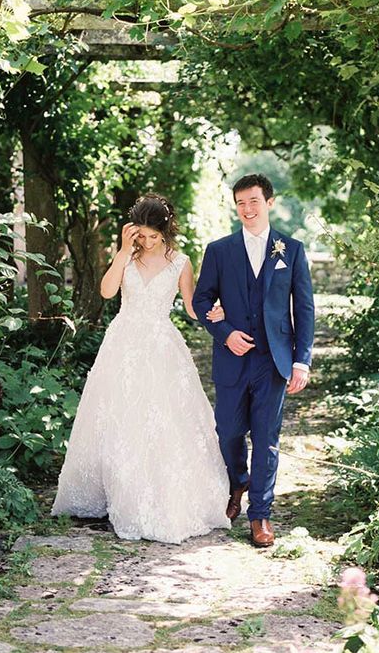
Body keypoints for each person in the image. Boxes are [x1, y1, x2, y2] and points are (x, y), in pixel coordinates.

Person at [51, 194, 231, 543]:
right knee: (119, 415)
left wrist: (217, 311)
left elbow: (193, 307)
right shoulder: (128, 257)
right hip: (123, 342)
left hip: (161, 344)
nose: (148, 242)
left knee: (161, 416)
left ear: (166, 231)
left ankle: (159, 492)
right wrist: (121, 251)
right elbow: (106, 292)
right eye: (142, 235)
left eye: (154, 236)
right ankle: (117, 490)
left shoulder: (181, 262)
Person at [192, 174, 315, 547]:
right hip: (232, 358)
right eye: (241, 203)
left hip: (274, 360)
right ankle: (238, 481)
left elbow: (305, 309)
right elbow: (200, 301)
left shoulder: (291, 250)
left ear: (269, 203)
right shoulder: (219, 250)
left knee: (266, 438)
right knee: (227, 431)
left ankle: (260, 515)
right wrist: (226, 331)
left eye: (254, 202)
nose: (247, 209)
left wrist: (302, 361)